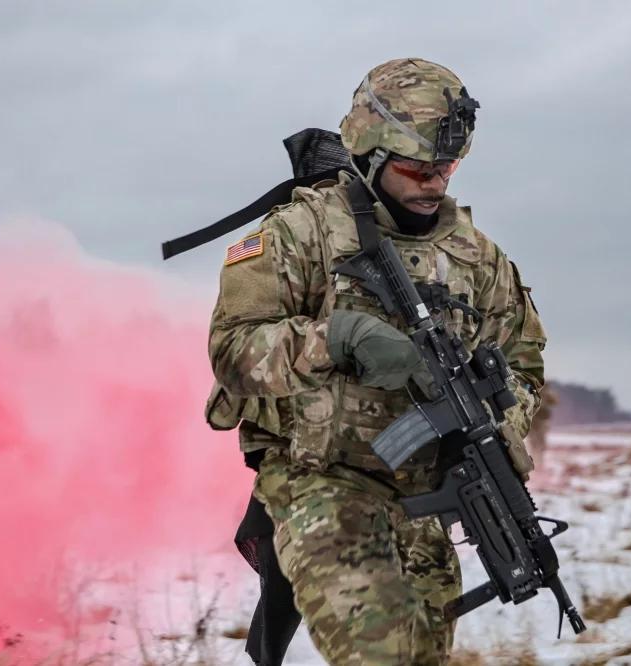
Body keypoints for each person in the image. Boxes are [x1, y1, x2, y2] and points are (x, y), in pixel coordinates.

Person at [205, 58, 547, 665]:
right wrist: (338, 336)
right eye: (418, 167)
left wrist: (499, 423)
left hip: (428, 501)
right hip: (321, 484)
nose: (435, 182)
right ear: (370, 151)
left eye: (447, 167)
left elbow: (523, 365)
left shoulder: (480, 260)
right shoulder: (297, 235)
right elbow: (233, 352)